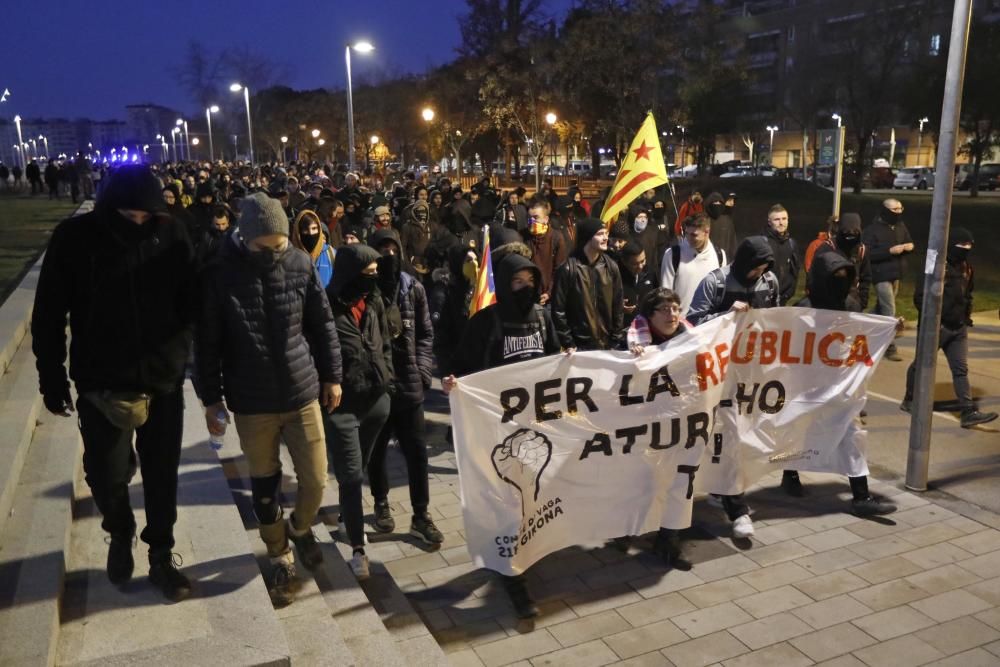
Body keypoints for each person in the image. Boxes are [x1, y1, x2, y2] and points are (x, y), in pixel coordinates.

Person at [31, 165, 197, 601]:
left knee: (162, 474)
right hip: (101, 379)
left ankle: (161, 554)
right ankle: (119, 528)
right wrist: (52, 376)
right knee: (105, 474)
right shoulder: (75, 239)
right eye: (130, 215)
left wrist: (185, 350)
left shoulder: (172, 233)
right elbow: (49, 311)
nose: (140, 222)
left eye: (148, 215)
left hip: (162, 378)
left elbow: (192, 297)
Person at [197, 193, 341, 607]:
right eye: (269, 246)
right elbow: (208, 345)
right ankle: (280, 555)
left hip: (301, 392)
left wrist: (332, 376)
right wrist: (211, 399)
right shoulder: (220, 275)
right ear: (247, 238)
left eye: (282, 243)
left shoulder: (298, 263)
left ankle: (299, 527)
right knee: (264, 488)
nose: (278, 251)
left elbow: (322, 323)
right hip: (252, 400)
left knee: (314, 480)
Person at [442, 252, 561, 619]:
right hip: (497, 431)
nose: (526, 288)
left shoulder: (543, 317)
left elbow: (555, 357)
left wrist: (568, 359)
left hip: (536, 430)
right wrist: (453, 383)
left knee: (533, 498)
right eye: (517, 282)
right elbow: (461, 367)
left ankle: (523, 556)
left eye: (531, 281)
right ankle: (514, 576)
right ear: (505, 284)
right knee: (508, 502)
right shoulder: (485, 322)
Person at [785, 251, 897, 515]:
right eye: (836, 278)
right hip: (808, 386)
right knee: (796, 433)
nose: (841, 283)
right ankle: (789, 473)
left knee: (852, 435)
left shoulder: (851, 304)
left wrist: (888, 328)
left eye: (845, 278)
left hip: (841, 387)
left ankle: (861, 495)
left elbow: (862, 337)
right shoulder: (804, 308)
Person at [687, 237, 781, 539]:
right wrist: (725, 315)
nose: (759, 273)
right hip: (721, 374)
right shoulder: (715, 282)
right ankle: (735, 503)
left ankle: (721, 487)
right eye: (755, 268)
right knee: (728, 436)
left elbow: (778, 319)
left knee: (741, 436)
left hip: (754, 372)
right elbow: (694, 321)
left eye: (764, 268)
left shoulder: (770, 281)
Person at [366, 229, 443, 545]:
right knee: (377, 452)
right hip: (379, 389)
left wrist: (424, 371)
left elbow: (426, 333)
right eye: (381, 250)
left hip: (410, 384)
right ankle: (381, 502)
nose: (388, 256)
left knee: (417, 455)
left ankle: (421, 514)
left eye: (392, 249)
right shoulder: (366, 291)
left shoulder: (414, 289)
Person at [325, 244, 394, 580]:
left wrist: (389, 378)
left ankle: (343, 516)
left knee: (359, 467)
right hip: (343, 406)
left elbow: (387, 341)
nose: (373, 279)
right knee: (351, 475)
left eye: (375, 274)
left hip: (377, 402)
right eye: (367, 274)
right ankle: (357, 548)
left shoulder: (376, 300)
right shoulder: (325, 306)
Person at [625, 288, 695, 569]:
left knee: (679, 482)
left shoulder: (690, 337)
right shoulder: (630, 342)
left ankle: (669, 541)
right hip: (645, 428)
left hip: (682, 424)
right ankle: (627, 529)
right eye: (664, 310)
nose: (672, 315)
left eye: (676, 308)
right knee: (644, 484)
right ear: (649, 315)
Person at [902, 228, 997, 428]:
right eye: (962, 246)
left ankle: (967, 411)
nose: (966, 250)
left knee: (960, 369)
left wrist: (966, 315)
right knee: (921, 363)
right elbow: (920, 296)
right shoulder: (934, 264)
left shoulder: (966, 267)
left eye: (969, 247)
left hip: (958, 328)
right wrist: (934, 318)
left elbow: (967, 294)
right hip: (936, 327)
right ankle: (910, 399)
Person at [551, 218, 625, 351]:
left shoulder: (611, 267)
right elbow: (558, 310)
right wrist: (568, 342)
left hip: (607, 345)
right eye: (600, 234)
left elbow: (617, 305)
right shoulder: (568, 269)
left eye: (606, 233)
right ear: (587, 237)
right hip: (579, 347)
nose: (605, 238)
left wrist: (616, 338)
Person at [862, 199, 914, 361]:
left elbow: (908, 240)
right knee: (889, 310)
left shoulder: (900, 226)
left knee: (881, 308)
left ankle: (861, 325)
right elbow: (867, 254)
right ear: (885, 210)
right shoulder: (872, 230)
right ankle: (889, 347)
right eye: (895, 209)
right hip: (880, 275)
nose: (898, 212)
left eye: (900, 208)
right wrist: (889, 251)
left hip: (895, 274)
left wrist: (909, 247)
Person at [660, 212, 726, 316]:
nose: (688, 238)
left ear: (707, 232)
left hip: (708, 323)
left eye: (694, 235)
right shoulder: (672, 254)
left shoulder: (719, 255)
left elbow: (721, 291)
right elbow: (665, 292)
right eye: (687, 233)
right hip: (680, 324)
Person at [812, 213, 871, 312]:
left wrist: (862, 302)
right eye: (846, 231)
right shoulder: (827, 248)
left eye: (855, 231)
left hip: (852, 302)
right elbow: (815, 275)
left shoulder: (862, 250)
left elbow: (865, 277)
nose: (851, 234)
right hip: (827, 302)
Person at [524, 200, 568, 304]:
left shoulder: (556, 238)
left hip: (549, 298)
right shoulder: (523, 236)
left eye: (536, 217)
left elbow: (559, 269)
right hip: (528, 296)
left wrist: (549, 292)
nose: (532, 221)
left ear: (546, 219)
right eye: (529, 218)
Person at [762, 204, 800, 305]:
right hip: (763, 298)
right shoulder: (762, 243)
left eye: (784, 219)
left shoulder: (792, 244)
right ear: (769, 222)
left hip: (784, 299)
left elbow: (795, 272)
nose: (781, 223)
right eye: (777, 219)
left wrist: (789, 293)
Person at [291, 209, 336, 288]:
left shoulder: (330, 253)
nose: (311, 233)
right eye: (305, 230)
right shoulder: (290, 256)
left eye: (314, 228)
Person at [617, 242, 656, 327]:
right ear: (624, 262)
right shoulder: (616, 279)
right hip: (624, 329)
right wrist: (618, 307)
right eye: (635, 264)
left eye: (643, 261)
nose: (640, 266)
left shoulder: (649, 273)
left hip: (647, 325)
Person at [704, 192, 737, 261]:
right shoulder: (703, 220)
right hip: (707, 259)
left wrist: (733, 259)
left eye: (719, 203)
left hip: (725, 259)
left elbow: (732, 242)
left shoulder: (727, 221)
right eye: (715, 203)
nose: (717, 205)